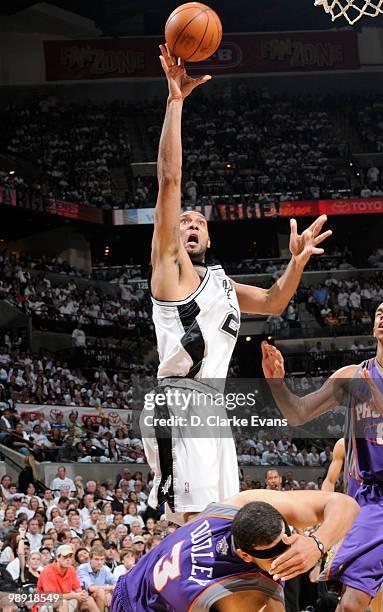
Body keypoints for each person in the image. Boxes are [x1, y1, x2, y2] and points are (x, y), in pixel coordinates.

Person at [144, 43, 332, 524]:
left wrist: (296, 263)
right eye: (181, 221)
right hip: (180, 402)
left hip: (213, 407)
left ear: (208, 235)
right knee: (189, 528)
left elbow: (272, 302)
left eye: (196, 222)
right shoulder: (170, 269)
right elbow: (169, 181)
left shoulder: (221, 282)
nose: (187, 225)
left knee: (221, 523)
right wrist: (175, 102)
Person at [261, 302, 383, 611]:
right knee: (351, 605)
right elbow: (298, 413)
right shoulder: (352, 376)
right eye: (381, 312)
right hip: (371, 502)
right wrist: (277, 383)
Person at [111, 488, 358, 612]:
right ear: (245, 555)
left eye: (287, 538)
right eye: (275, 552)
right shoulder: (239, 596)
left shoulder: (241, 503)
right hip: (137, 603)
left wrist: (317, 543)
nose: (288, 550)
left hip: (144, 575)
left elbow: (344, 503)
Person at [37, 544, 98, 612]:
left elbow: (78, 590)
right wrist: (74, 595)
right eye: (65, 557)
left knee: (89, 599)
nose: (68, 559)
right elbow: (53, 597)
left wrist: (83, 594)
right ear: (58, 558)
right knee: (63, 603)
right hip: (45, 603)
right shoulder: (47, 571)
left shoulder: (71, 569)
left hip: (66, 599)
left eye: (70, 557)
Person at [77, 545, 117, 611]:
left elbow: (116, 583)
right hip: (84, 599)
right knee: (100, 592)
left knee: (105, 593)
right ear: (90, 559)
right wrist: (110, 587)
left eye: (102, 559)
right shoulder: (82, 568)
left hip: (100, 596)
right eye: (96, 559)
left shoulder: (105, 569)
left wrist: (110, 592)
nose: (99, 562)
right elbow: (91, 588)